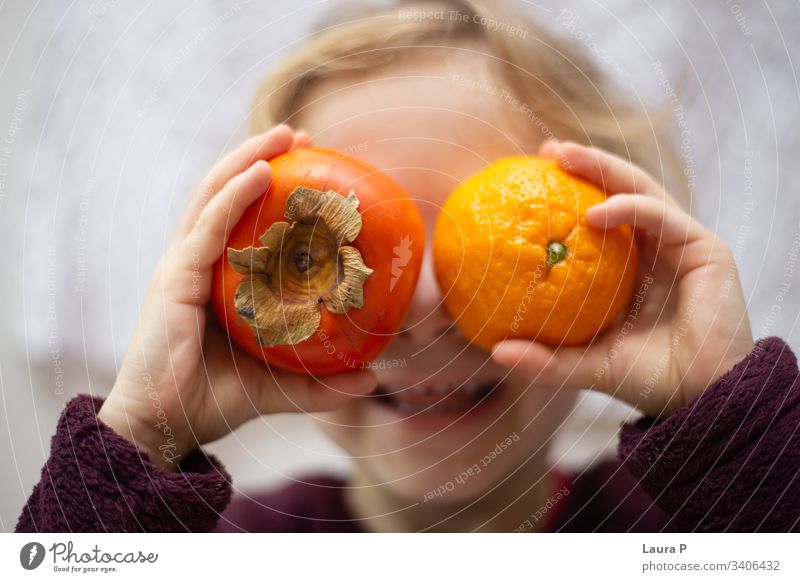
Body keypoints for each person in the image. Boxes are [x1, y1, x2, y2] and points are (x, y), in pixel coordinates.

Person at [16, 0, 799, 532]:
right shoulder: (212, 548)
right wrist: (146, 436)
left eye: (471, 240)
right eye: (330, 243)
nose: (422, 306)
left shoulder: (707, 520)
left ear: (628, 272)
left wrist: (724, 424)